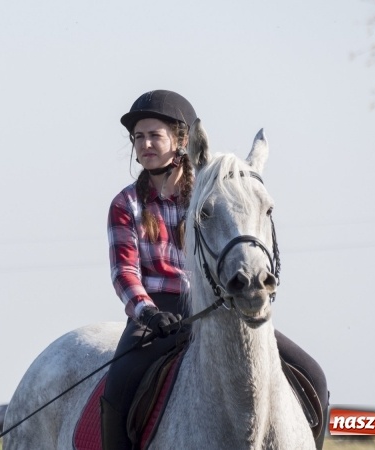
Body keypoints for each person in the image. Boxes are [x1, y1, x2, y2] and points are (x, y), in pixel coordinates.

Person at [102, 90, 329, 450]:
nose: (145, 144)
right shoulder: (125, 203)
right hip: (158, 312)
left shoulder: (210, 192)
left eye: (154, 135)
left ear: (181, 141)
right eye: (139, 137)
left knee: (313, 374)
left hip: (217, 302)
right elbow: (125, 272)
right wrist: (148, 313)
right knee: (118, 389)